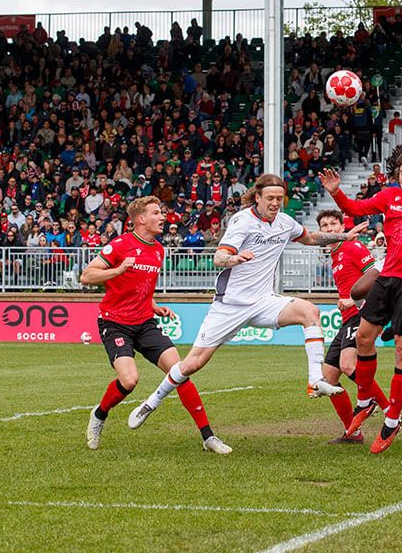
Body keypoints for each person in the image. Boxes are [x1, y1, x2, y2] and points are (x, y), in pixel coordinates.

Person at [128, 175, 363, 438]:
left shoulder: (284, 223)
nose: (275, 203)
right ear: (258, 197)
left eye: (279, 198)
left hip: (263, 301)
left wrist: (344, 235)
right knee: (193, 363)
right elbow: (219, 257)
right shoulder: (243, 221)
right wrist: (234, 259)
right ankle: (151, 402)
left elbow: (310, 238)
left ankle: (315, 380)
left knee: (310, 311)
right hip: (230, 304)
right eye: (270, 198)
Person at [320, 147, 402, 454]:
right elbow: (356, 207)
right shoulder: (389, 196)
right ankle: (366, 399)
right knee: (364, 338)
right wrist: (336, 192)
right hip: (387, 277)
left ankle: (392, 419)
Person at [79, 196, 231, 454]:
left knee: (180, 372)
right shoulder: (119, 245)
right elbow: (86, 276)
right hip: (115, 324)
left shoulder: (158, 250)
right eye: (156, 213)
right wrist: (116, 271)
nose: (162, 217)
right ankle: (100, 415)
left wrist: (154, 305)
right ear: (140, 219)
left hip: (145, 322)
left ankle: (208, 436)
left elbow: (142, 288)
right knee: (129, 381)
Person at [317, 210, 388, 443]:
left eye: (333, 224)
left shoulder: (352, 248)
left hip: (360, 314)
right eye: (324, 225)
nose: (328, 229)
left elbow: (377, 277)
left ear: (342, 227)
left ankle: (384, 407)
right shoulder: (335, 254)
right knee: (329, 377)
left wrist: (354, 300)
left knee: (348, 365)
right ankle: (353, 432)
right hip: (347, 318)